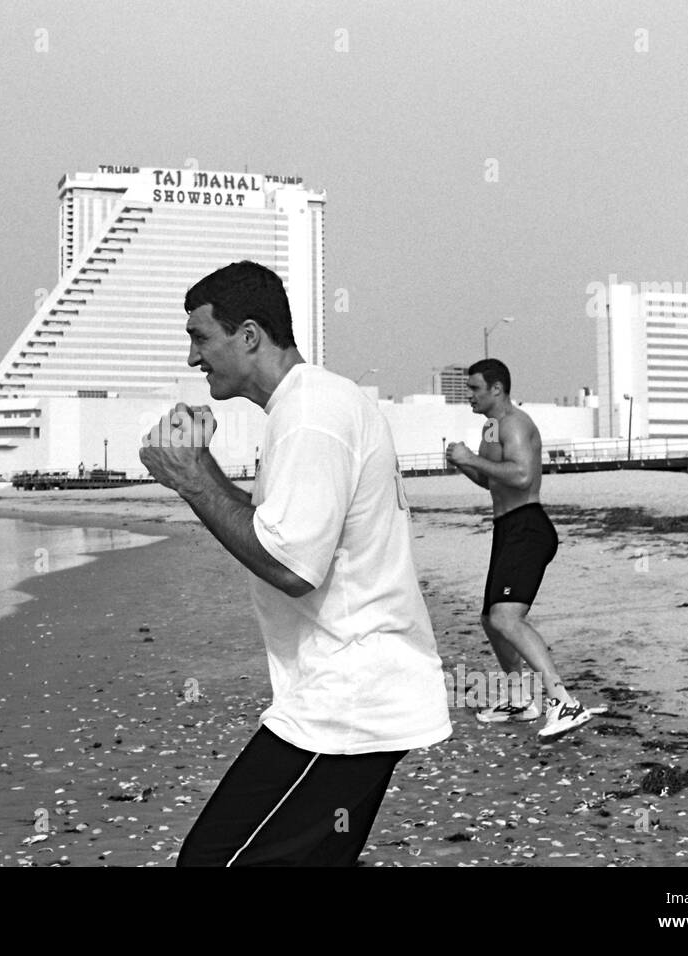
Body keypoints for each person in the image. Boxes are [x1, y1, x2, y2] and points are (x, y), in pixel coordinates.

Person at [140, 261, 451, 866]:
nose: (192, 359)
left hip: (347, 705)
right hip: (353, 691)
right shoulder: (308, 406)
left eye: (200, 338)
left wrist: (194, 478)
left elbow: (291, 567)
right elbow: (279, 533)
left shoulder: (310, 415)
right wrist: (198, 469)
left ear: (249, 336)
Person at [446, 359, 594, 739]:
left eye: (476, 388)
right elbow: (491, 480)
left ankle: (564, 701)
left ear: (497, 388)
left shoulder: (515, 423)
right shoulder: (491, 428)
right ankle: (519, 699)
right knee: (490, 619)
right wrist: (465, 464)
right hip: (507, 528)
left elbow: (523, 474)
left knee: (507, 618)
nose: (470, 395)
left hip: (528, 527)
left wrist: (471, 458)